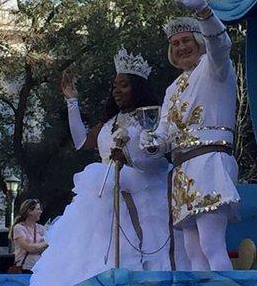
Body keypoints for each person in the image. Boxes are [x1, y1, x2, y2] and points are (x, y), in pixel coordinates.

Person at [30, 47, 186, 286]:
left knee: (144, 250)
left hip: (142, 193)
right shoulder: (110, 122)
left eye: (123, 85)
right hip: (102, 195)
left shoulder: (151, 117)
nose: (117, 91)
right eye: (114, 86)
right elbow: (82, 141)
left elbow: (157, 154)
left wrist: (128, 157)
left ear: (137, 87)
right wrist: (72, 101)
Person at [140, 0, 240, 271]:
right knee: (192, 250)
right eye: (175, 43)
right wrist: (153, 142)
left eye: (186, 40)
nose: (181, 47)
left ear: (198, 41)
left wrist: (204, 11)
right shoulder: (172, 88)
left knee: (212, 244)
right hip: (182, 170)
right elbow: (165, 134)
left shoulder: (215, 67)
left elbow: (221, 43)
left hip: (210, 161)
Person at [10, 199, 48, 274]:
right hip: (26, 268)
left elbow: (48, 248)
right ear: (29, 212)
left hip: (41, 267)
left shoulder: (41, 228)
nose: (41, 212)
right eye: (38, 209)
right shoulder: (19, 228)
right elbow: (28, 248)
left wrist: (37, 247)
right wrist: (44, 244)